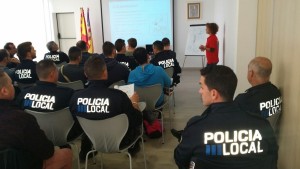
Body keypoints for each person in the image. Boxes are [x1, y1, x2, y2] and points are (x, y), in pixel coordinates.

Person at [174, 65, 278, 169]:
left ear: (214, 94)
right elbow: (272, 157)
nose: (200, 91)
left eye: (201, 87)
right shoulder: (262, 124)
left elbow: (180, 159)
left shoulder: (196, 128)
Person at [69, 56, 143, 156]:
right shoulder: (118, 96)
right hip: (120, 140)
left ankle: (86, 151)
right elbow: (137, 120)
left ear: (85, 74)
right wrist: (134, 103)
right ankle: (133, 148)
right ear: (105, 73)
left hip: (92, 138)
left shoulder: (76, 97)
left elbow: (78, 118)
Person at [0, 70, 72, 169]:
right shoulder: (21, 118)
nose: (13, 86)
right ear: (4, 91)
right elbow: (47, 152)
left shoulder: (24, 95)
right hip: (16, 163)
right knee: (66, 153)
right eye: (11, 84)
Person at [235, 57, 282, 129]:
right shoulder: (276, 92)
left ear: (251, 73)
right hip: (268, 137)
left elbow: (231, 123)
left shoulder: (244, 100)